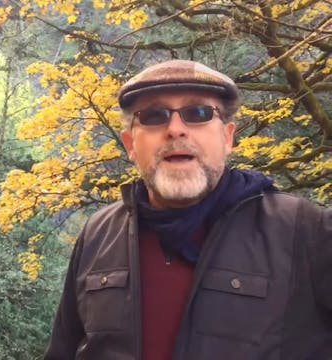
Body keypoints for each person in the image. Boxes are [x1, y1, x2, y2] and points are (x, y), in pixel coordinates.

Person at [44, 59, 332, 360]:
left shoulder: (306, 231)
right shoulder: (98, 234)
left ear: (227, 136)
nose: (175, 129)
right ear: (129, 144)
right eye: (154, 116)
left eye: (199, 113)